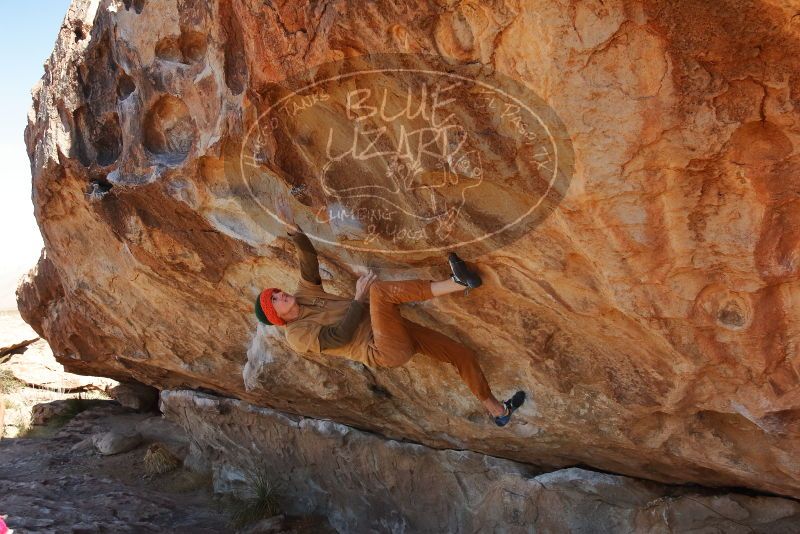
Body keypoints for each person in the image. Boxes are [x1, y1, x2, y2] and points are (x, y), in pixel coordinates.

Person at [254, 199, 525, 426]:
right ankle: (458, 282)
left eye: (276, 292)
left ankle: (497, 411)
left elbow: (309, 263)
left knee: (461, 354)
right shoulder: (297, 336)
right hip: (382, 348)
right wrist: (359, 298)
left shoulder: (304, 295)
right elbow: (338, 338)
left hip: (391, 330)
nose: (281, 295)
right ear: (277, 317)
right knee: (379, 293)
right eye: (274, 301)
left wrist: (293, 230)